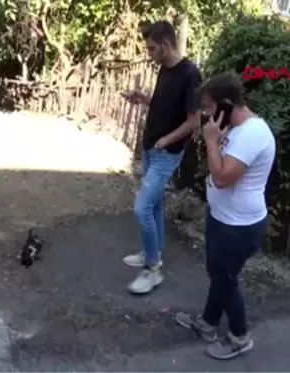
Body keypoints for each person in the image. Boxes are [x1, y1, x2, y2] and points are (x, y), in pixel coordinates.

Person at [174, 73, 275, 360]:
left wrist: (210, 140)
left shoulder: (252, 135)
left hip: (239, 226)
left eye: (208, 107)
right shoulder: (235, 127)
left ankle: (240, 336)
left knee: (225, 279)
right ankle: (208, 323)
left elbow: (221, 178)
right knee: (218, 274)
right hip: (223, 217)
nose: (206, 114)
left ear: (226, 104)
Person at [121, 21, 202, 294]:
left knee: (142, 207)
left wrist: (167, 140)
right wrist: (144, 99)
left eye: (153, 48)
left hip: (167, 152)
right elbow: (165, 104)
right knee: (153, 205)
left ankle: (153, 270)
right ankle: (150, 252)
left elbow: (194, 120)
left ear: (167, 45)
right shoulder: (164, 70)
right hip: (150, 147)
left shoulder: (191, 74)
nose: (150, 54)